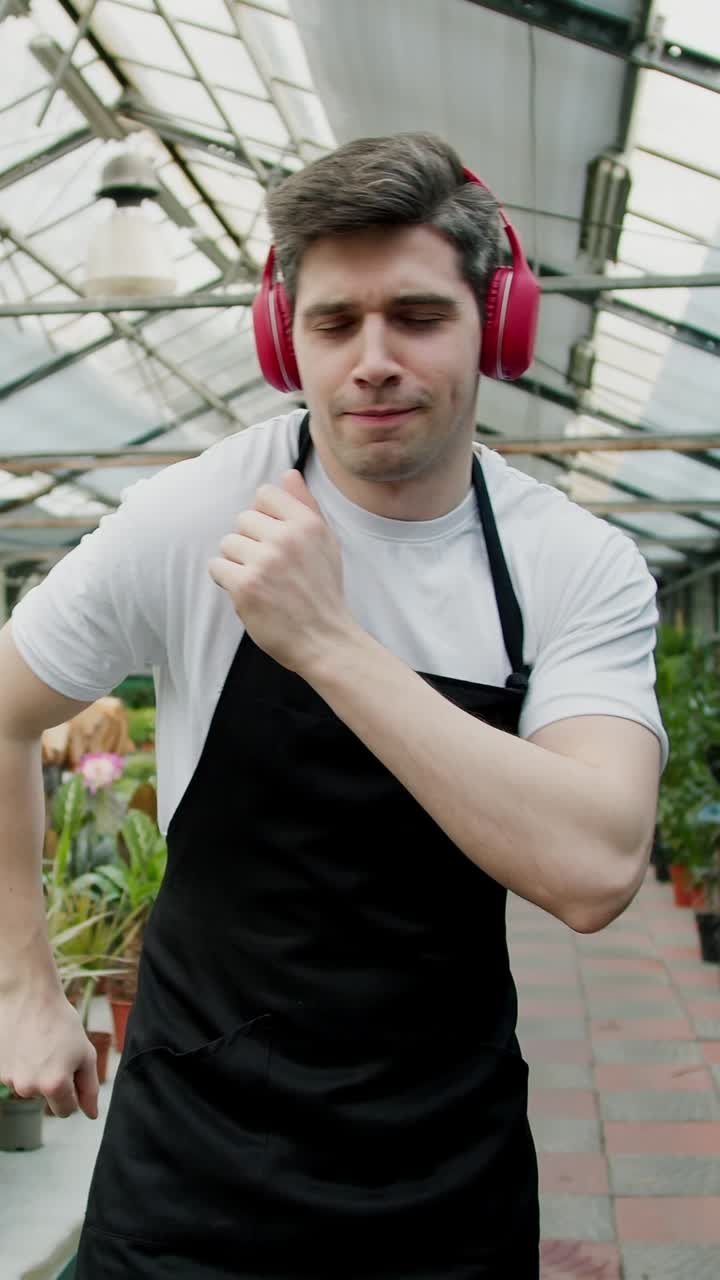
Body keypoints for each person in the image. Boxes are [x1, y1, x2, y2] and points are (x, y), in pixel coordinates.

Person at [0, 132, 666, 1278]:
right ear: (283, 336)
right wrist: (24, 985)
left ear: (496, 327)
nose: (373, 359)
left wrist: (325, 642)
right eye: (335, 321)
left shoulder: (573, 562)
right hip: (192, 1165)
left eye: (417, 316)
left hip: (444, 1169)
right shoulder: (191, 515)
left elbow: (597, 867)